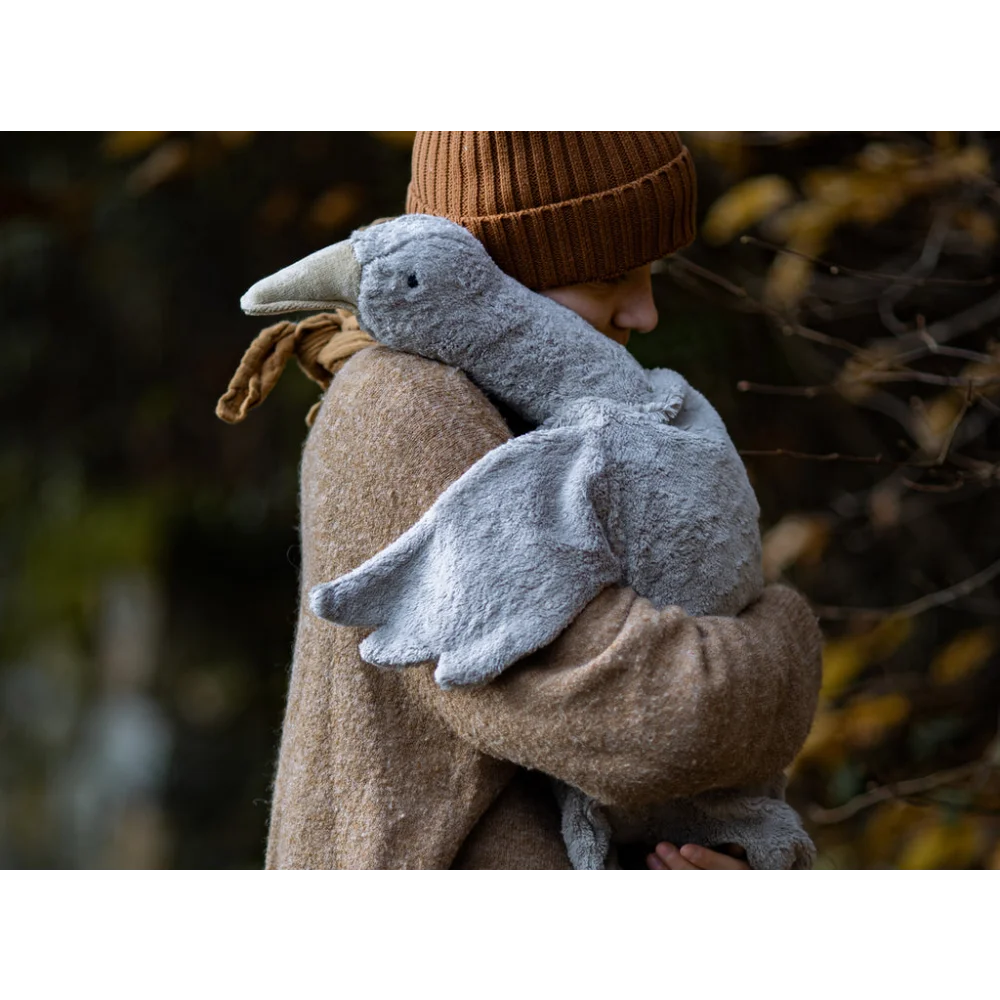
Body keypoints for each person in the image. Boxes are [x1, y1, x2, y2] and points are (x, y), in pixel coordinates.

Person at [218, 129, 823, 871]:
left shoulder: (551, 412)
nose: (645, 314)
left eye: (653, 273)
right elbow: (658, 723)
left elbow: (655, 779)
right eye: (610, 278)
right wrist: (786, 641)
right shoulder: (405, 406)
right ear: (498, 277)